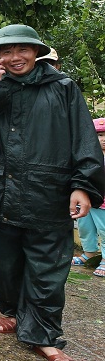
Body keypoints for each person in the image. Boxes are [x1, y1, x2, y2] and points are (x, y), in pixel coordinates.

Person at [0, 24, 104, 361]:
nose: (13, 58)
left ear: (36, 51)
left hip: (47, 190)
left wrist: (82, 186)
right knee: (5, 263)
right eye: (5, 53)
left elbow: (84, 140)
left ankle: (44, 337)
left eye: (21, 50)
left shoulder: (63, 88)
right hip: (1, 190)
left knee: (46, 267)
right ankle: (13, 312)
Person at [74, 117, 105, 278]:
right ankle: (89, 253)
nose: (103, 139)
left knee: (104, 230)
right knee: (85, 227)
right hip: (87, 199)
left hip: (103, 203)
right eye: (99, 135)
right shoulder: (89, 157)